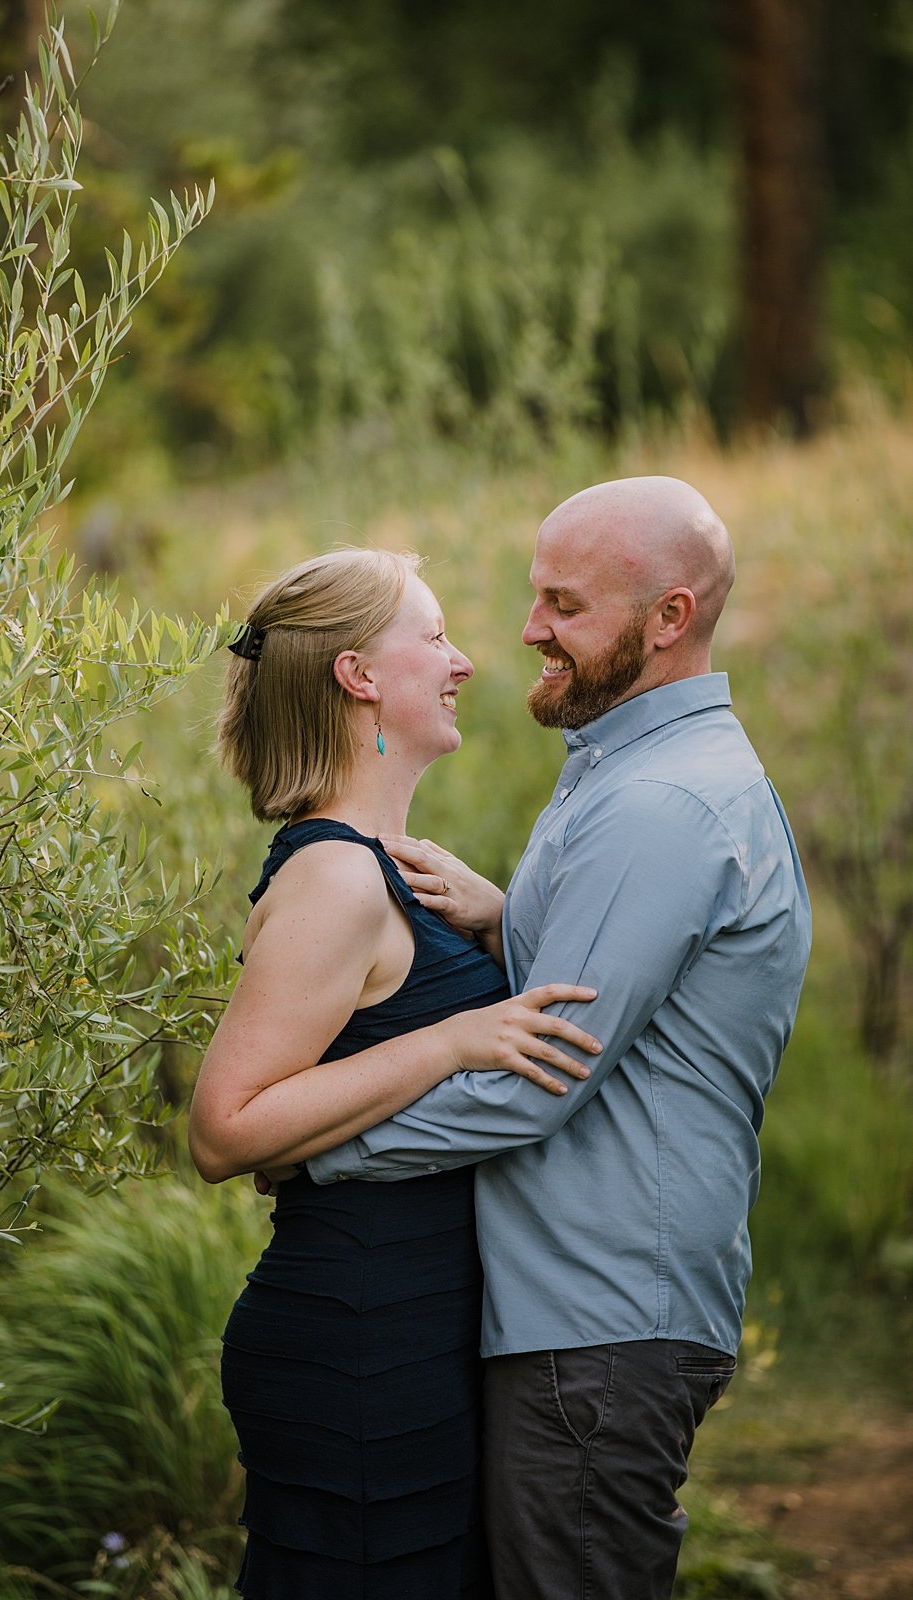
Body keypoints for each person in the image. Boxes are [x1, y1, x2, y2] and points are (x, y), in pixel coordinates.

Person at [307, 478, 813, 1600]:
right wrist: (511, 919)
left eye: (563, 604)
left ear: (668, 618)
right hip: (582, 1315)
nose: (528, 628)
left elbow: (532, 1079)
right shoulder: (632, 776)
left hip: (596, 1326)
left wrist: (306, 1145)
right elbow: (619, 1002)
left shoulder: (660, 807)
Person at [188, 547, 603, 1600]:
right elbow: (224, 1128)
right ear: (358, 676)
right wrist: (445, 1044)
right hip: (359, 1342)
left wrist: (501, 918)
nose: (462, 660)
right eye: (433, 635)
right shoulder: (333, 877)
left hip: (417, 1331)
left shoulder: (386, 868)